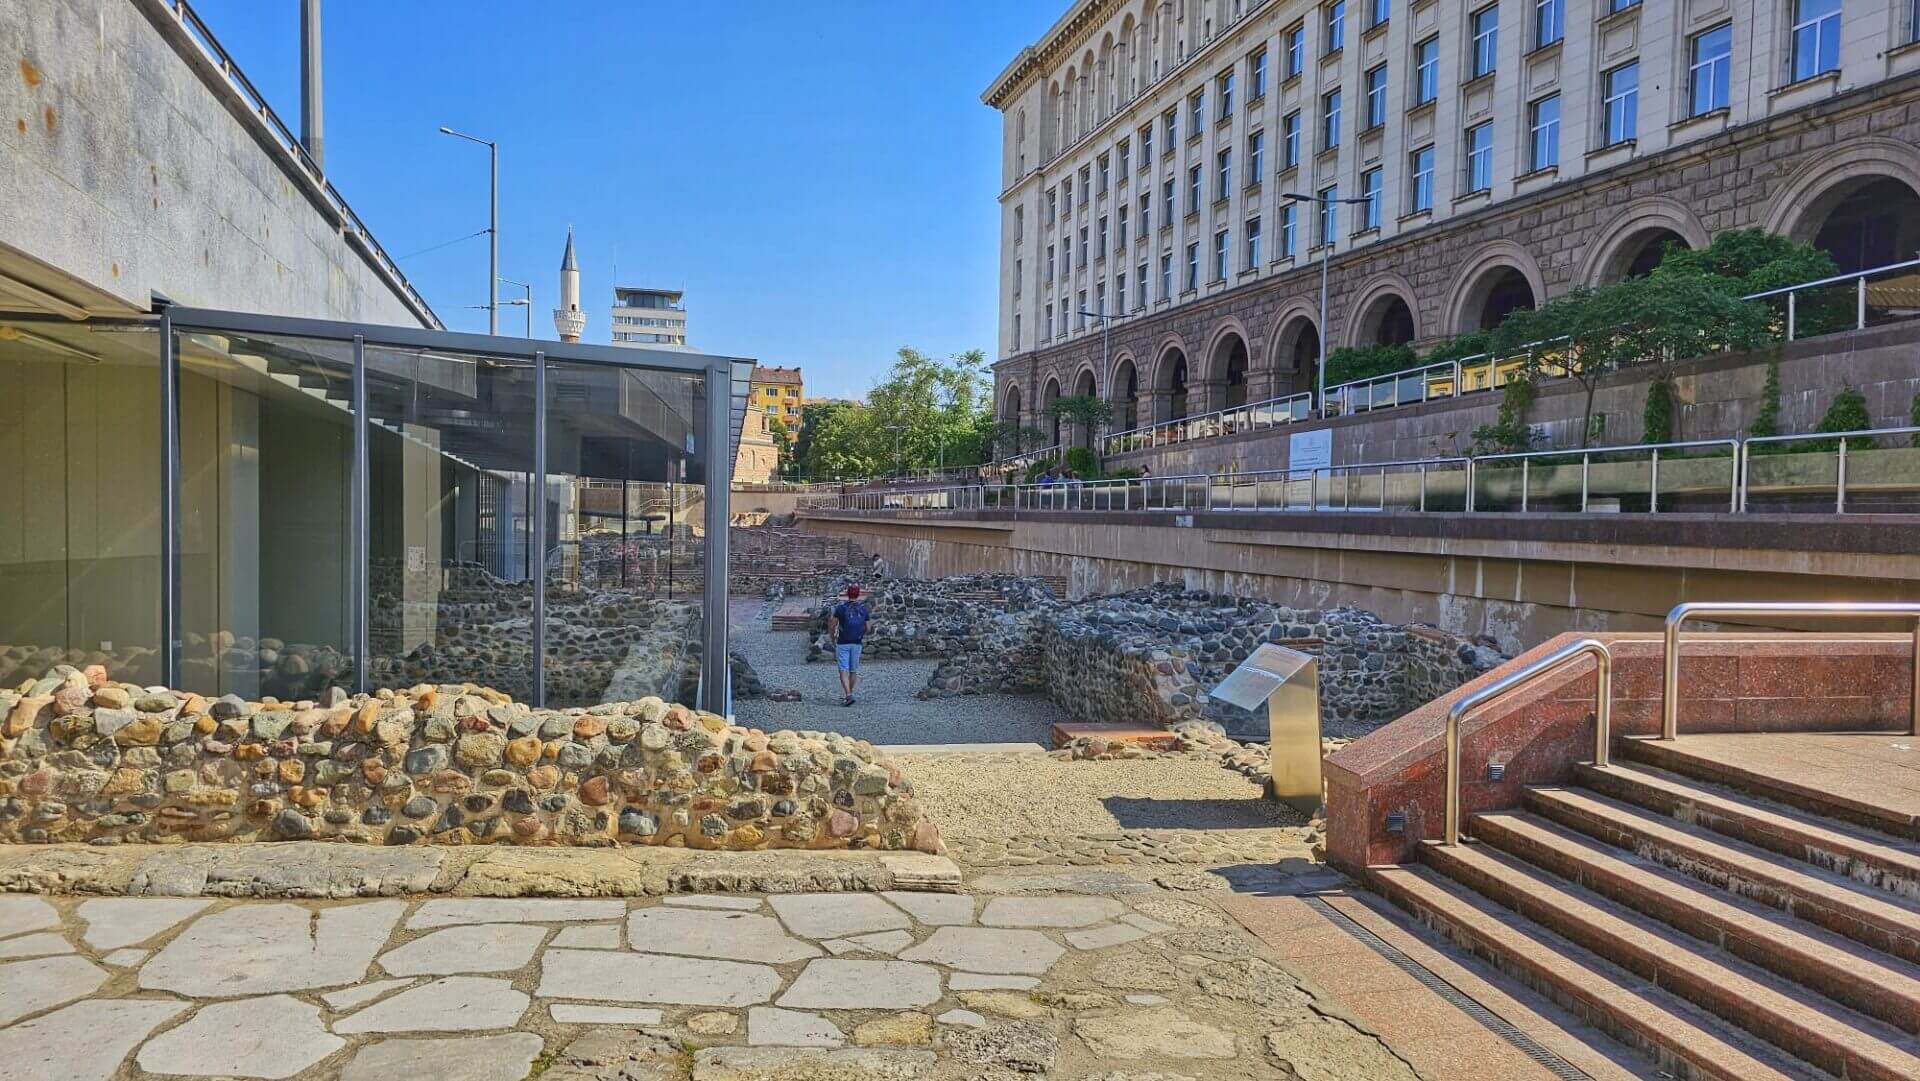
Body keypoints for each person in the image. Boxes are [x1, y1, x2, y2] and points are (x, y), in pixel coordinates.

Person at [828, 585, 870, 706]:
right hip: (857, 642)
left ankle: (848, 695)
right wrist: (861, 635)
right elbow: (868, 627)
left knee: (843, 670)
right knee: (853, 670)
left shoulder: (841, 608)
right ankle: (849, 694)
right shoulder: (863, 609)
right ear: (858, 594)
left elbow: (832, 625)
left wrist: (832, 637)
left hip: (843, 642)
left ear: (847, 594)